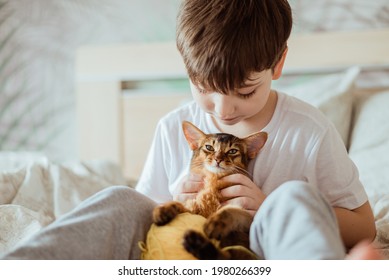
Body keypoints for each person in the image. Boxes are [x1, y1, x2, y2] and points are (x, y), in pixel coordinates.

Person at [1, 0, 377, 260]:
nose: (223, 109)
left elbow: (365, 227)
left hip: (267, 256)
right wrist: (174, 203)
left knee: (294, 197)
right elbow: (145, 218)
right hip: (185, 253)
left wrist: (266, 207)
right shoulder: (171, 127)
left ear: (278, 64)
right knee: (123, 200)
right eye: (204, 90)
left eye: (245, 92)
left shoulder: (308, 130)